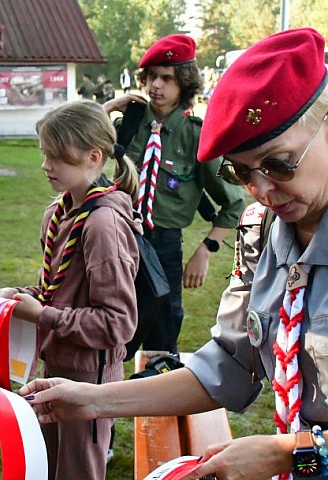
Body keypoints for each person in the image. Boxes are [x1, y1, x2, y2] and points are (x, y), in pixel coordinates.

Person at [20, 28, 328, 480]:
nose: (261, 189)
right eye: (239, 172)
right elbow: (230, 364)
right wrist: (94, 399)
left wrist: (288, 454)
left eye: (279, 164)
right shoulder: (262, 231)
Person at [0, 100, 141, 480]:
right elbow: (56, 290)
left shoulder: (103, 224)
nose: (45, 165)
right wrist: (19, 298)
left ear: (93, 157)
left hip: (90, 378)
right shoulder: (58, 214)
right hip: (57, 367)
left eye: (57, 156)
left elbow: (117, 324)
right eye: (44, 153)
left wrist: (45, 315)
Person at [103, 34, 244, 354]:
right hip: (117, 237)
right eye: (151, 76)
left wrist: (205, 251)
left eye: (167, 78)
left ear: (184, 83)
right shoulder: (129, 123)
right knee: (106, 328)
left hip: (163, 246)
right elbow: (77, 146)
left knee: (161, 336)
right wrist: (108, 107)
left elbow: (235, 202)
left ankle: (153, 384)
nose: (156, 85)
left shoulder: (198, 135)